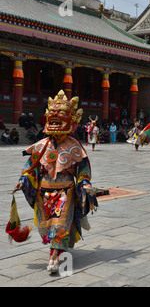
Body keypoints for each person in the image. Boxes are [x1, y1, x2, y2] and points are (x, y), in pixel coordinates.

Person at [9, 90, 98, 273]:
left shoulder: (75, 146)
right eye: (52, 116)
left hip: (66, 190)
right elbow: (30, 167)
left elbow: (82, 171)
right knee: (47, 225)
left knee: (60, 224)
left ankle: (55, 257)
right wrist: (23, 180)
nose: (55, 119)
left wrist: (85, 183)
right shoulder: (42, 146)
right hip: (44, 191)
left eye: (61, 116)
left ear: (72, 121)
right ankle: (55, 252)